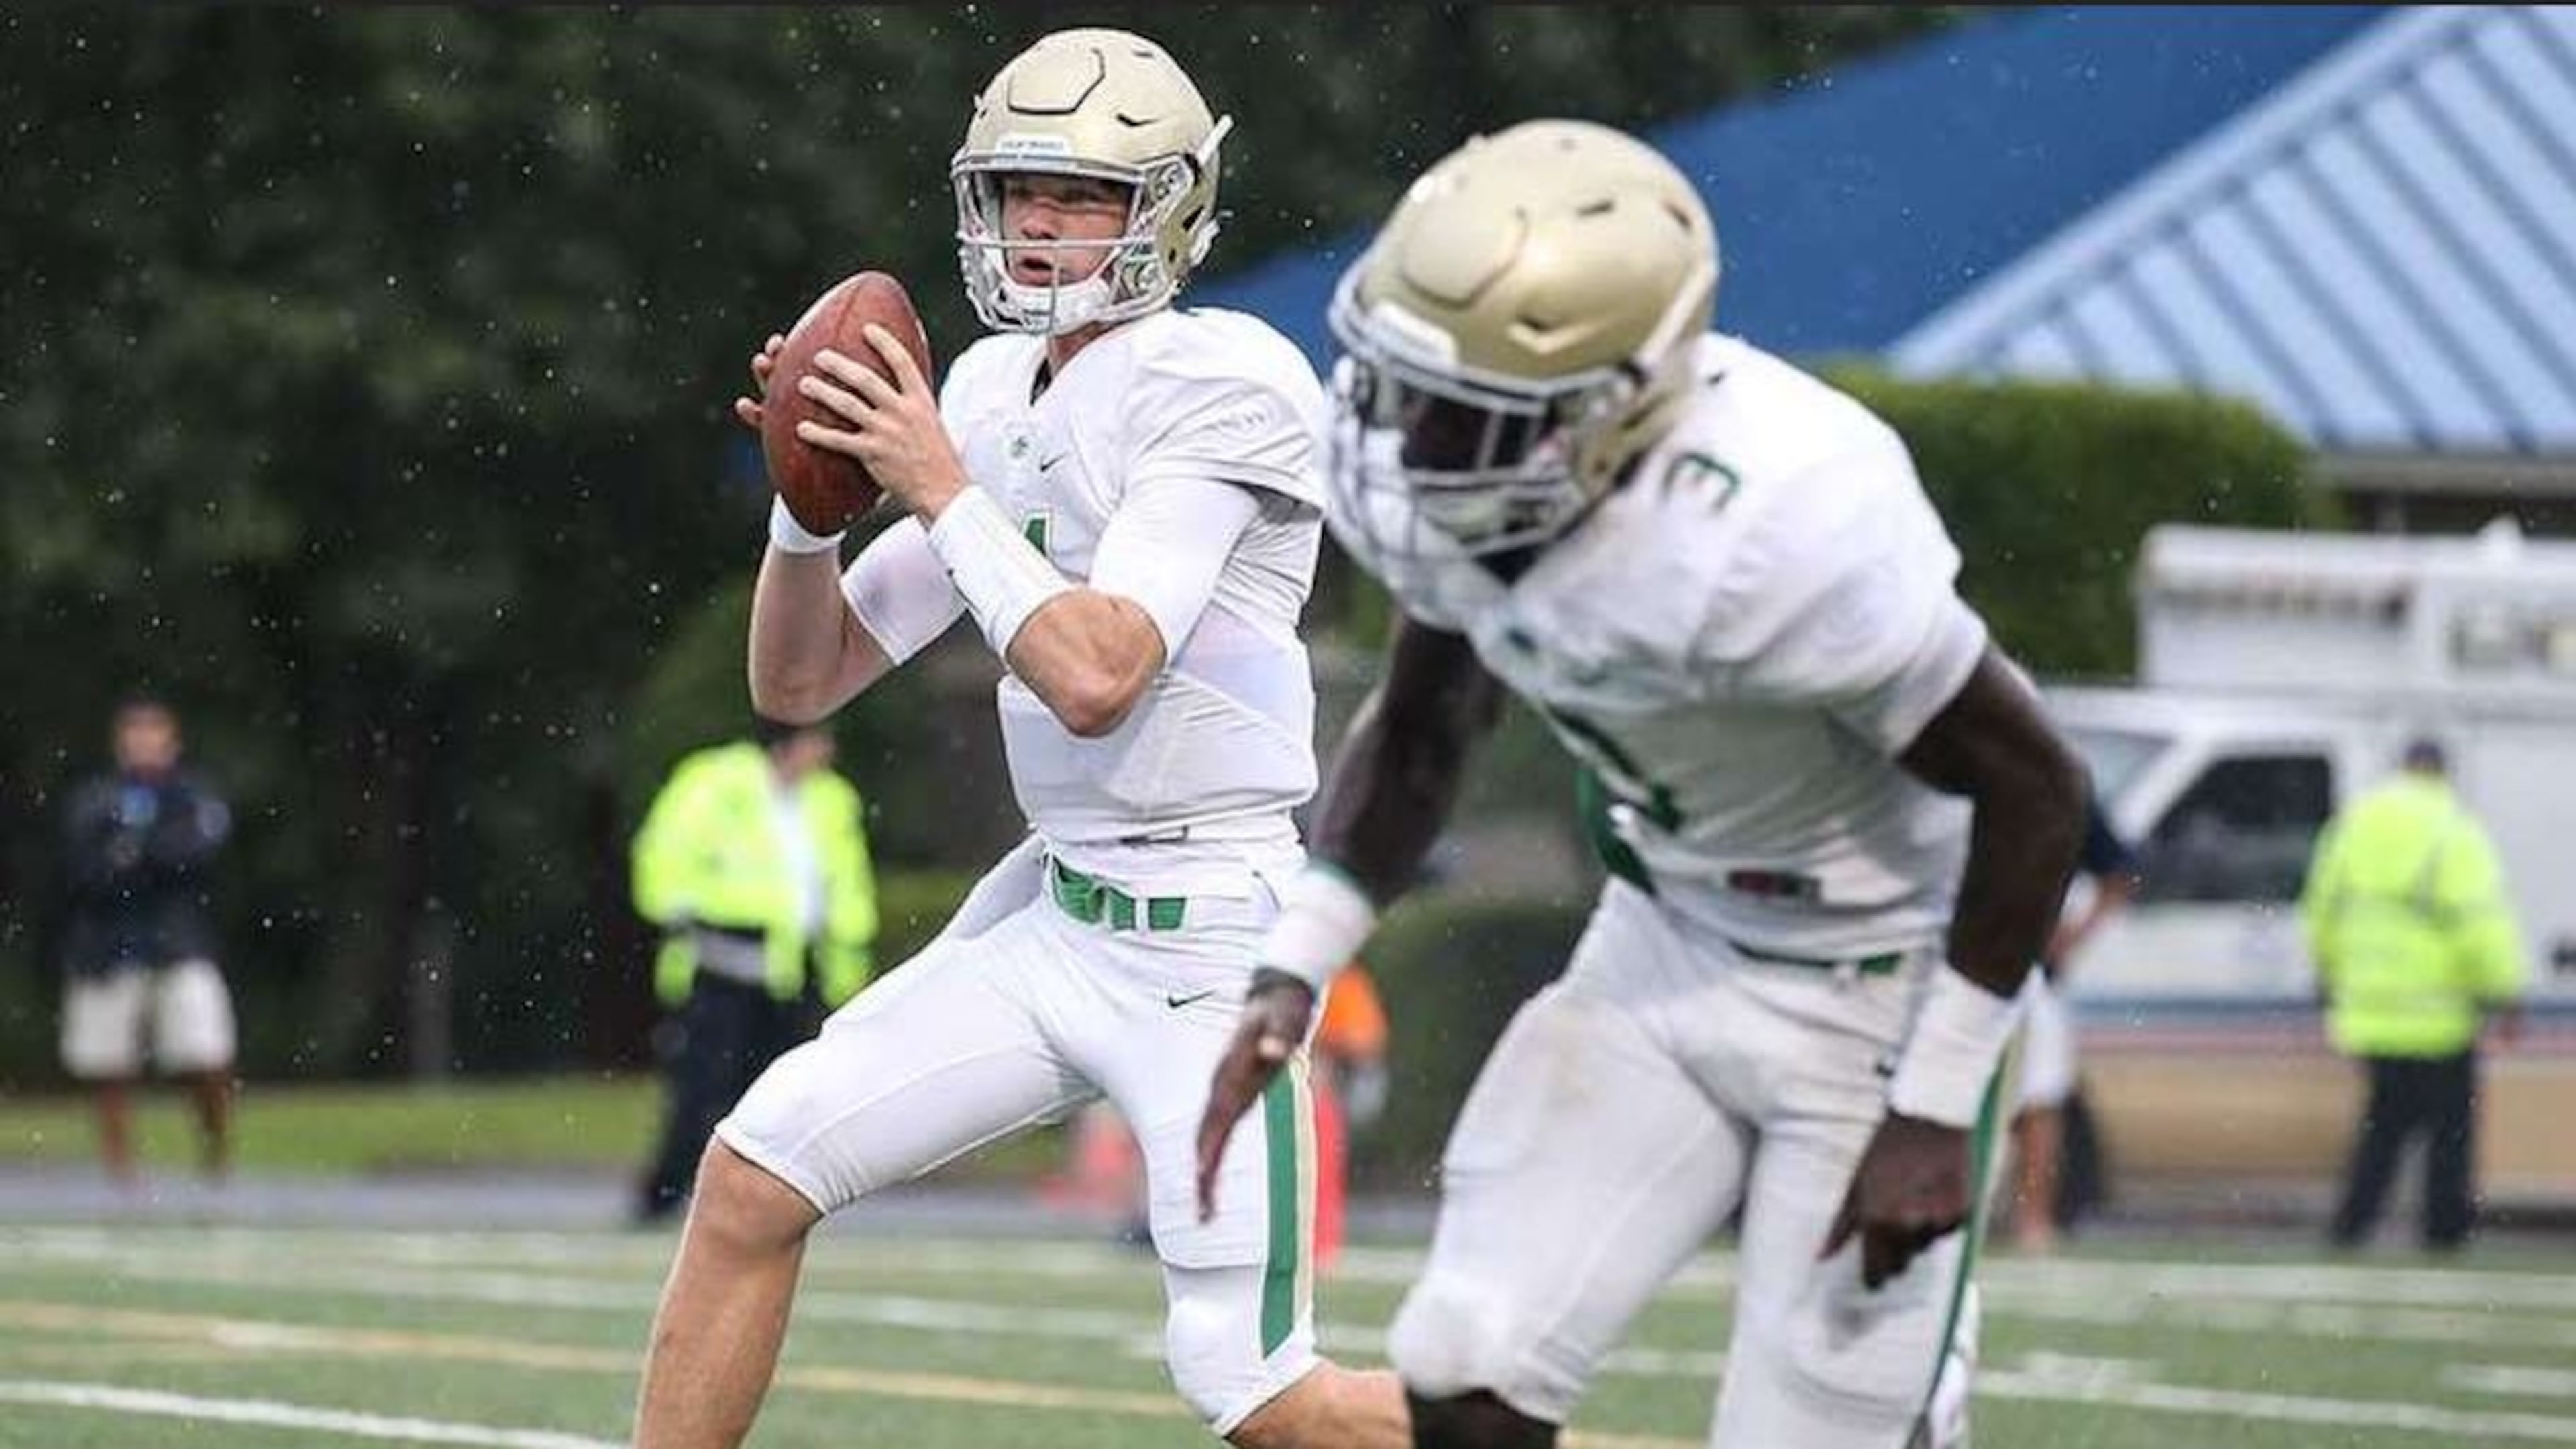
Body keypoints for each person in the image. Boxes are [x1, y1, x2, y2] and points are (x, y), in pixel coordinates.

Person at [1195, 119, 2089, 1449]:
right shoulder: (1453, 486)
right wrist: (1296, 967)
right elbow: (1429, 722)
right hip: (1665, 947)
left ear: (1607, 409)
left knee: (1820, 1431)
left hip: (1876, 992)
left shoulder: (1785, 525)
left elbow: (2039, 795)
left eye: (1464, 412)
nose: (1408, 442)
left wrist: (1938, 1104)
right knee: (1466, 1358)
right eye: (1393, 385)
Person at [630, 28, 1405, 1449]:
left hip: (1208, 944)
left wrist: (931, 483)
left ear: (1169, 207)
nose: (1039, 225)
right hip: (1057, 916)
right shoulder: (989, 390)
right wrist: (807, 513)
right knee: (750, 1177)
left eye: (1084, 194)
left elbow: (1099, 671)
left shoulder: (1222, 379)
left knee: (1268, 1404)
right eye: (1017, 190)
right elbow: (802, 684)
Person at [627, 716, 879, 1225]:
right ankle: (667, 1195)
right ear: (788, 742)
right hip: (721, 962)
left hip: (792, 968)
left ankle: (756, 1202)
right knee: (703, 1087)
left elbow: (847, 884)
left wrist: (848, 968)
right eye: (818, 738)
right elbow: (665, 858)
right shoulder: (715, 783)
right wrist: (694, 913)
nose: (828, 750)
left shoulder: (831, 800)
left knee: (775, 1093)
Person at [2302, 737, 2529, 1252]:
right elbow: (2481, 922)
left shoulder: (2354, 826)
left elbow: (2320, 910)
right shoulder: (2455, 831)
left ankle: (2352, 1224)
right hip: (2439, 1014)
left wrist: (2330, 975)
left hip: (2369, 1012)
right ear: (2442, 774)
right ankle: (2444, 1230)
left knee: (2383, 1125)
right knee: (2449, 1131)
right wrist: (2507, 992)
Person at [58, 696, 239, 1186]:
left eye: (154, 737)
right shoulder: (96, 798)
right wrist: (140, 856)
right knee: (110, 1064)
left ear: (172, 743)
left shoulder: (196, 797)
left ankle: (217, 1157)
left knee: (204, 1054)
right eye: (135, 738)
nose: (144, 747)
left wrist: (136, 852)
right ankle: (122, 1174)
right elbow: (86, 870)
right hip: (108, 946)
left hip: (179, 944)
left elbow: (192, 857)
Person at [2008, 791, 2140, 1253]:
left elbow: (2120, 873)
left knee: (2040, 1103)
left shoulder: (2056, 780)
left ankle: (2034, 1220)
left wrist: (2073, 936)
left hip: (2030, 976)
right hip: (1954, 965)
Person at [1310, 961, 1391, 1273]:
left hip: (1323, 1088)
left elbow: (1364, 1042)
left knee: (1322, 1165)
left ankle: (1321, 1243)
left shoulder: (1342, 980)